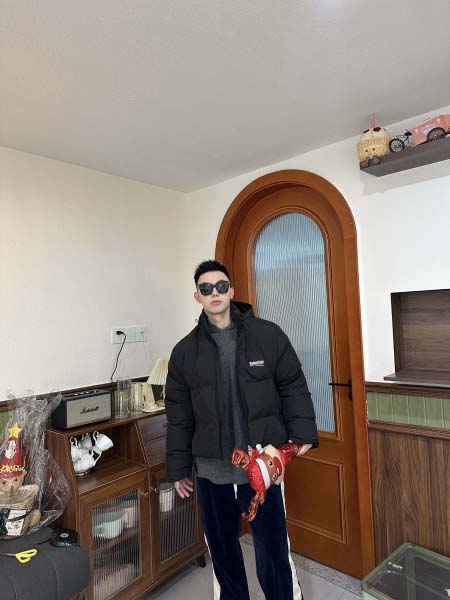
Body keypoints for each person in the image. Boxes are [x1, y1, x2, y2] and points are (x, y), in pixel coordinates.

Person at [165, 259, 318, 600]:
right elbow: (179, 416)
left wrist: (302, 433)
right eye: (206, 288)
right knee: (222, 553)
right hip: (212, 472)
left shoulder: (268, 335)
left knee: (273, 550)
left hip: (261, 466)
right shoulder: (184, 352)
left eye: (221, 286)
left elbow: (292, 384)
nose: (215, 293)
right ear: (197, 296)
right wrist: (178, 468)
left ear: (232, 291)